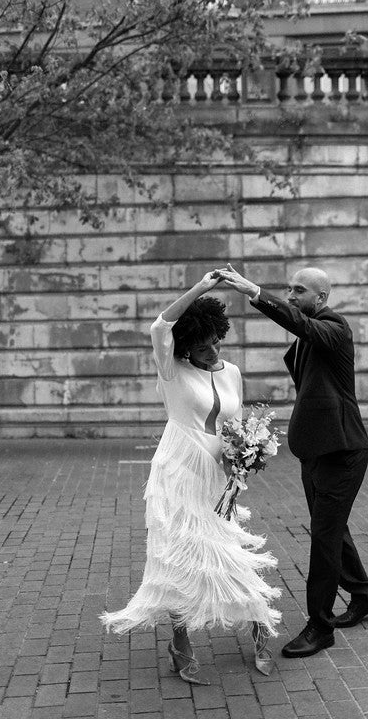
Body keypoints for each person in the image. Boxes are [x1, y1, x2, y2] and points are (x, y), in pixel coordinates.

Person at [100, 271, 281, 683]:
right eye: (201, 346)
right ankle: (180, 644)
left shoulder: (232, 372)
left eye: (216, 340)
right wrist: (202, 288)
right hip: (179, 470)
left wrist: (245, 458)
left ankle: (259, 630)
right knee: (181, 555)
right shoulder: (172, 370)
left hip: (216, 477)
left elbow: (234, 428)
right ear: (185, 347)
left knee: (229, 551)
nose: (212, 350)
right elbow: (160, 326)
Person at [215, 263, 368, 658]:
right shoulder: (311, 331)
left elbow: (301, 326)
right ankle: (363, 596)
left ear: (320, 299)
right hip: (316, 450)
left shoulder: (334, 327)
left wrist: (256, 293)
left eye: (299, 290)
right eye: (288, 289)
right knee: (330, 529)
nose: (291, 295)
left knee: (324, 537)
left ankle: (320, 626)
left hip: (343, 452)